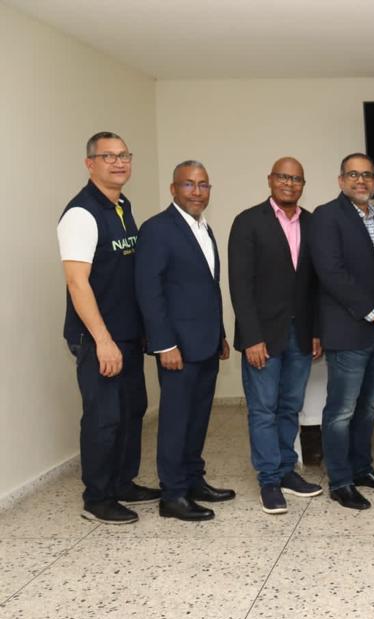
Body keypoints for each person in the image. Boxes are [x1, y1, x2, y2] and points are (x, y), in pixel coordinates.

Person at [57, 131, 159, 524]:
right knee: (104, 418)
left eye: (124, 155)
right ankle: (97, 499)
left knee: (133, 410)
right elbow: (77, 283)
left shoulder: (121, 206)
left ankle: (122, 483)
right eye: (108, 156)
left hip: (128, 334)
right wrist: (102, 340)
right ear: (90, 164)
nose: (119, 163)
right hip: (99, 338)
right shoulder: (81, 213)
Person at [135, 161, 236, 522]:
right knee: (176, 421)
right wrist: (164, 345)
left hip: (205, 342)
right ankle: (173, 495)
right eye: (189, 184)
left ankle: (193, 480)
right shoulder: (157, 229)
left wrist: (220, 334)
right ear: (173, 189)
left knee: (197, 418)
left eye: (203, 185)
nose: (197, 191)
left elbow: (208, 288)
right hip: (176, 346)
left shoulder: (204, 228)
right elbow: (149, 291)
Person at [228, 157, 324, 515]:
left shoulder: (312, 223)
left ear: (303, 185)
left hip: (302, 335)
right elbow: (240, 285)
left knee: (290, 407)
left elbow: (315, 286)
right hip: (263, 337)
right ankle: (268, 479)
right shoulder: (248, 222)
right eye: (283, 177)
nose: (289, 183)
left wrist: (316, 332)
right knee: (263, 409)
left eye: (296, 179)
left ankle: (286, 471)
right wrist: (252, 337)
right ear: (270, 180)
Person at [309, 153, 374, 511]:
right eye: (353, 174)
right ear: (341, 180)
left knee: (368, 407)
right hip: (347, 331)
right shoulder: (326, 216)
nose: (360, 181)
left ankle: (362, 470)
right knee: (341, 411)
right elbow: (331, 273)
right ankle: (341, 481)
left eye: (367, 175)